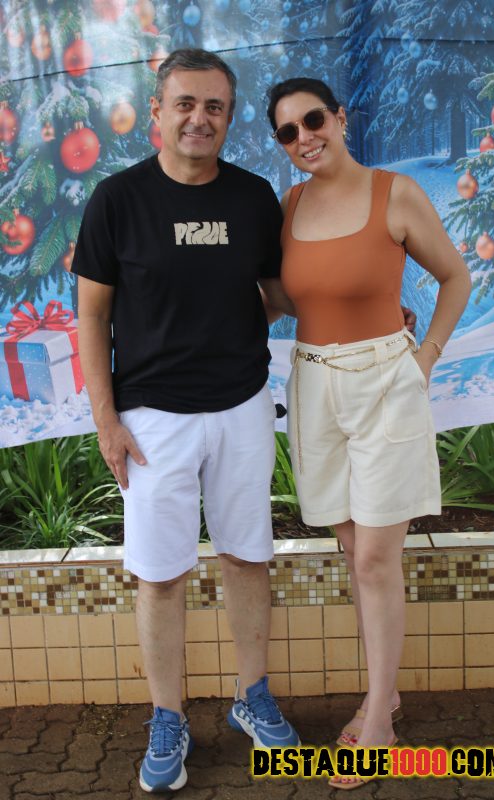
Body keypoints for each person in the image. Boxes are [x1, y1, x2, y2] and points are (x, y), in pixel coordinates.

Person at [71, 48, 302, 794]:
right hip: (151, 419)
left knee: (246, 557)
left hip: (241, 407)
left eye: (214, 107)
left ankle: (252, 695)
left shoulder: (254, 197)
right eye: (185, 104)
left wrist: (365, 306)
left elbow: (280, 293)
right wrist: (107, 421)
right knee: (161, 576)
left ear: (228, 118)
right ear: (158, 111)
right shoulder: (117, 200)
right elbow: (91, 317)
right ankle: (167, 716)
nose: (199, 118)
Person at [266, 77, 471, 791]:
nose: (304, 138)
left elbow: (455, 277)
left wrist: (425, 357)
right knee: (356, 553)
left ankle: (378, 717)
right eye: (287, 132)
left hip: (385, 384)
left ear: (340, 118)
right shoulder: (289, 206)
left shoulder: (395, 194)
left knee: (378, 558)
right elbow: (280, 299)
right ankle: (387, 690)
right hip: (314, 387)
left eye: (312, 120)